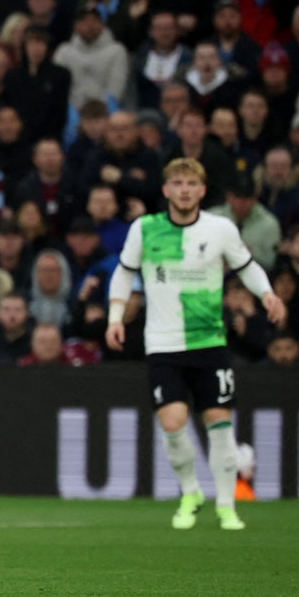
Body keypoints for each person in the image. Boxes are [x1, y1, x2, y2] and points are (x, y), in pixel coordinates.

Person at [107, 158, 285, 532]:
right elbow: (124, 271)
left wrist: (267, 294)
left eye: (191, 184)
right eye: (178, 183)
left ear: (202, 190)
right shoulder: (145, 228)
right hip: (163, 344)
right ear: (166, 190)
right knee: (172, 422)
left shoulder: (220, 229)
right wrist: (115, 317)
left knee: (219, 421)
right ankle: (190, 492)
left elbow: (246, 266)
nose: (184, 190)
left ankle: (227, 506)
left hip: (209, 341)